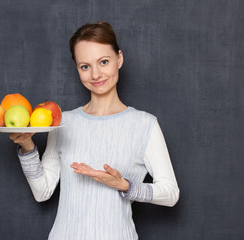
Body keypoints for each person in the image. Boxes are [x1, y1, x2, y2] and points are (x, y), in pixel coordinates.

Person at [10, 22, 179, 240]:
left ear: (119, 58)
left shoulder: (144, 124)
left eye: (104, 62)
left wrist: (125, 186)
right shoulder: (63, 123)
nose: (96, 74)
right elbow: (42, 192)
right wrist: (27, 146)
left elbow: (171, 194)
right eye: (85, 66)